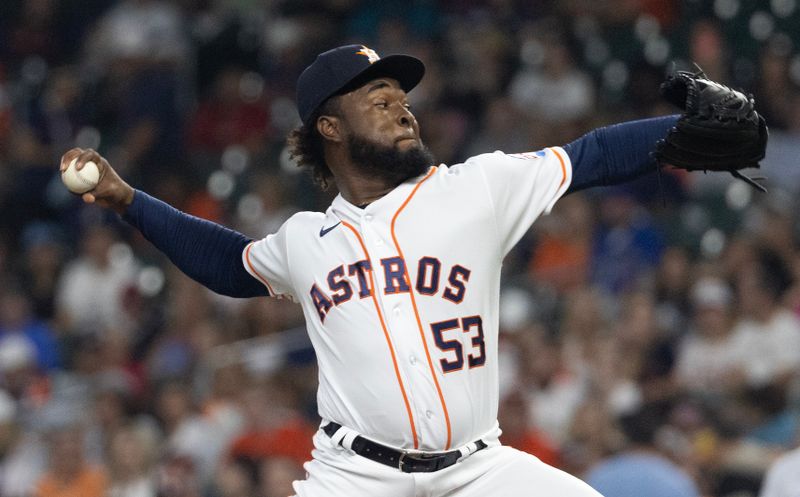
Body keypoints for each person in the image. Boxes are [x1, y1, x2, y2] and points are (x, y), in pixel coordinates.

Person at [60, 44, 745, 496]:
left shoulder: (474, 188)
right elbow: (230, 264)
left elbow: (590, 155)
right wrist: (128, 200)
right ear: (329, 127)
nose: (401, 105)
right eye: (377, 96)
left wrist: (676, 136)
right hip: (355, 476)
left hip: (480, 468)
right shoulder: (306, 239)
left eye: (402, 95)